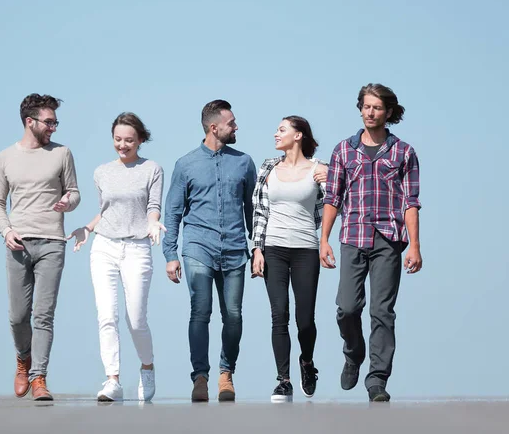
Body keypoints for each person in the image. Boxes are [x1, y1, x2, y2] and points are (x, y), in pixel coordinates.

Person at [320, 83, 422, 402]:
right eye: (366, 106)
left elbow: (411, 201)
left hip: (389, 240)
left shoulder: (404, 152)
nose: (370, 112)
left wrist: (415, 246)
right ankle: (353, 353)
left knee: (382, 311)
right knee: (347, 308)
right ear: (360, 108)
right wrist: (323, 239)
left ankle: (377, 379)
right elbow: (332, 197)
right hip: (352, 236)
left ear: (388, 113)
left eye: (377, 107)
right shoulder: (343, 151)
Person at [163, 100, 256, 402]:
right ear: (214, 127)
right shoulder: (186, 164)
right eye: (231, 122)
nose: (236, 127)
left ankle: (226, 374)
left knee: (234, 315)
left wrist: (258, 249)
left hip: (234, 250)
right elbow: (173, 212)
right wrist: (171, 255)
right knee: (200, 311)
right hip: (197, 247)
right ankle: (200, 377)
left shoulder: (244, 162)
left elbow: (253, 212)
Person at [67, 113, 164, 402]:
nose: (123, 145)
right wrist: (87, 227)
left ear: (141, 140)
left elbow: (153, 205)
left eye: (129, 140)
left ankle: (147, 366)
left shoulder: (152, 169)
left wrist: (153, 221)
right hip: (104, 247)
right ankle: (113, 380)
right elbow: (108, 210)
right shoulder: (101, 172)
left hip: (137, 248)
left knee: (136, 320)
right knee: (106, 316)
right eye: (118, 139)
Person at [0, 93, 81, 401]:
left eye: (56, 122)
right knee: (18, 316)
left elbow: (74, 192)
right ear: (30, 122)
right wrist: (6, 231)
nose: (53, 127)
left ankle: (39, 377)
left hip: (53, 243)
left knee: (43, 315)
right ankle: (22, 358)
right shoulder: (5, 157)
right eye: (49, 122)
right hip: (18, 245)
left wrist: (69, 202)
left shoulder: (62, 153)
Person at [251, 116, 328, 402]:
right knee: (279, 314)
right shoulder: (268, 167)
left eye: (282, 130)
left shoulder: (318, 169)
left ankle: (306, 362)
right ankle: (283, 380)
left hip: (306, 249)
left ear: (298, 135)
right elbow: (259, 210)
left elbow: (335, 202)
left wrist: (331, 174)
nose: (275, 134)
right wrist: (257, 249)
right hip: (274, 248)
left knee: (305, 319)